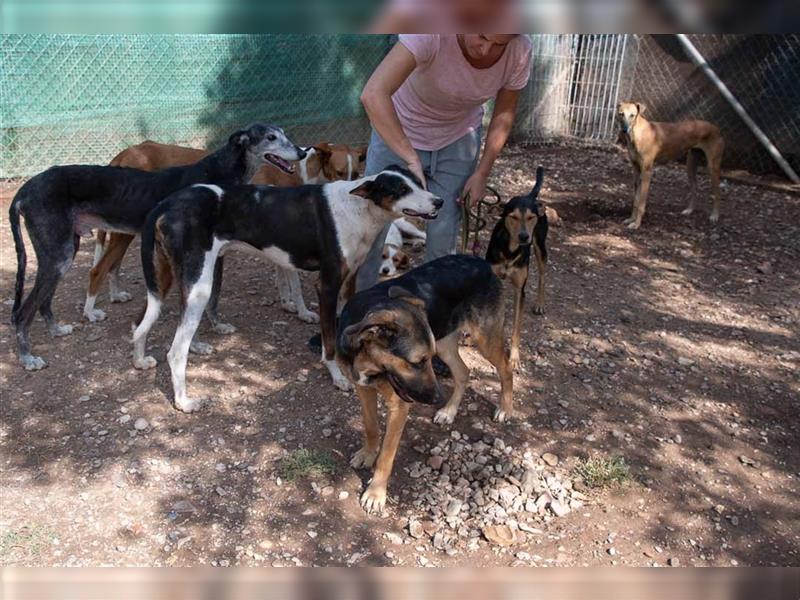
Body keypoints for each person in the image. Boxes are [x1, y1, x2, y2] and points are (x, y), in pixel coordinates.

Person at [356, 33, 532, 290]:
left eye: (500, 43)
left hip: (457, 139)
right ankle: (358, 311)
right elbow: (372, 94)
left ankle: (431, 315)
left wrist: (482, 173)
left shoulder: (520, 49)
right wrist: (409, 157)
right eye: (481, 35)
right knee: (372, 228)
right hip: (398, 131)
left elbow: (504, 113)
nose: (485, 50)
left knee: (443, 235)